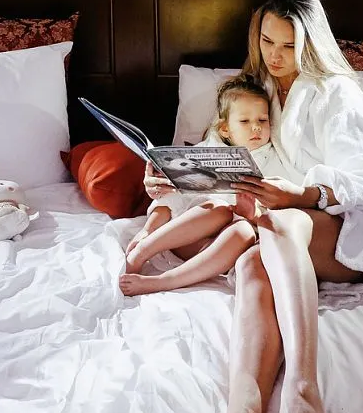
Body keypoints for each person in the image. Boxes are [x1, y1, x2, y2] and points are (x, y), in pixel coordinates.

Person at [141, 0, 363, 413]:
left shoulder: (337, 91)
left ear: (311, 43)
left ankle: (304, 394)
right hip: (279, 225)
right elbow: (228, 154)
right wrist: (174, 176)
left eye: (289, 45)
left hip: (345, 227)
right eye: (267, 41)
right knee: (252, 262)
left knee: (279, 222)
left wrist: (304, 195)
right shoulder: (261, 88)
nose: (275, 55)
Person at [119, 75, 293, 297]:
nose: (256, 128)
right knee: (218, 209)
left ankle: (164, 281)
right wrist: (147, 230)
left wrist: (251, 215)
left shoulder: (275, 162)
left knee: (243, 231)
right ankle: (143, 251)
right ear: (225, 129)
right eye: (245, 121)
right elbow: (169, 199)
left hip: (221, 251)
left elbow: (279, 213)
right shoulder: (203, 151)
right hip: (184, 238)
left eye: (262, 120)